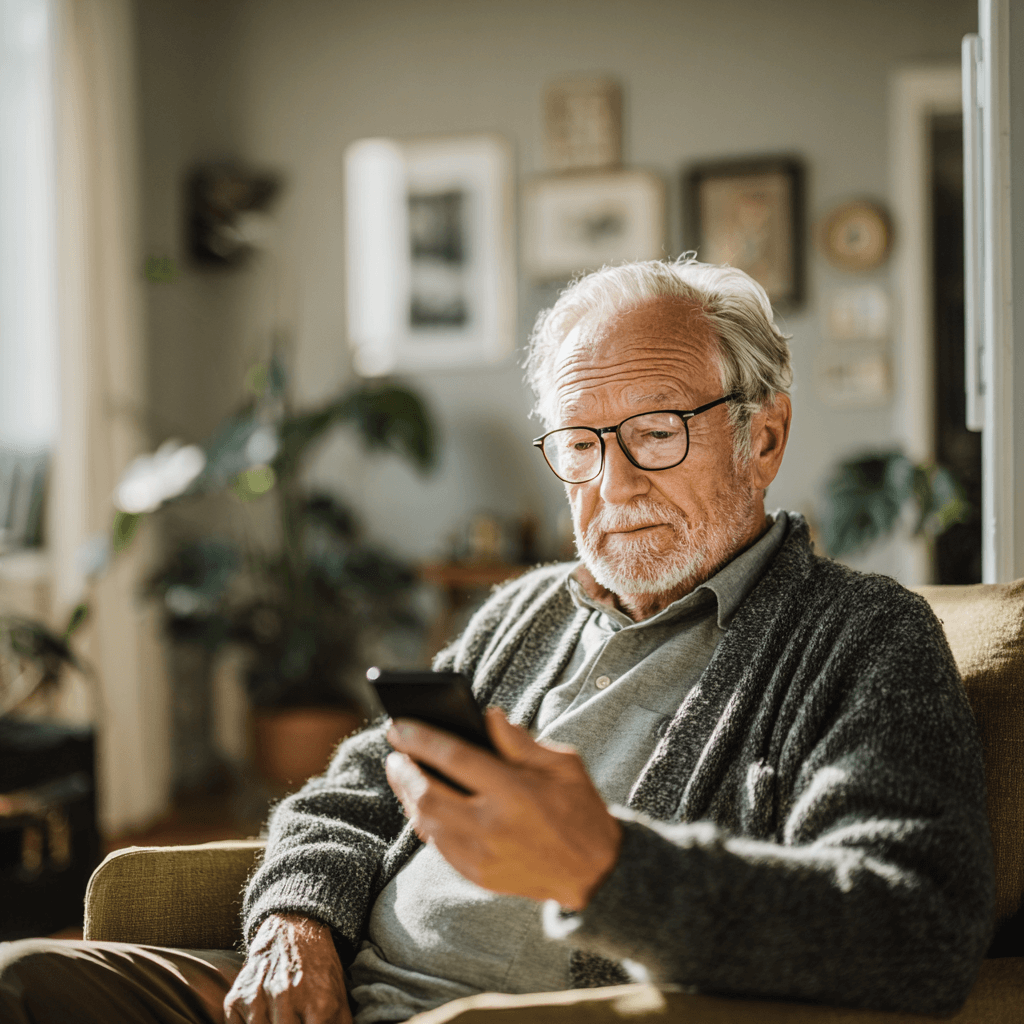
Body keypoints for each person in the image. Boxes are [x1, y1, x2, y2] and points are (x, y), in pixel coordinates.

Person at [0, 258, 994, 1024]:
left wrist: (604, 868)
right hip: (330, 998)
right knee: (25, 979)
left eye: (654, 431)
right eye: (578, 444)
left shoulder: (861, 640)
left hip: (515, 1018)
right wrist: (295, 921)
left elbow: (911, 928)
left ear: (762, 436)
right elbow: (350, 792)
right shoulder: (527, 612)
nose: (613, 487)